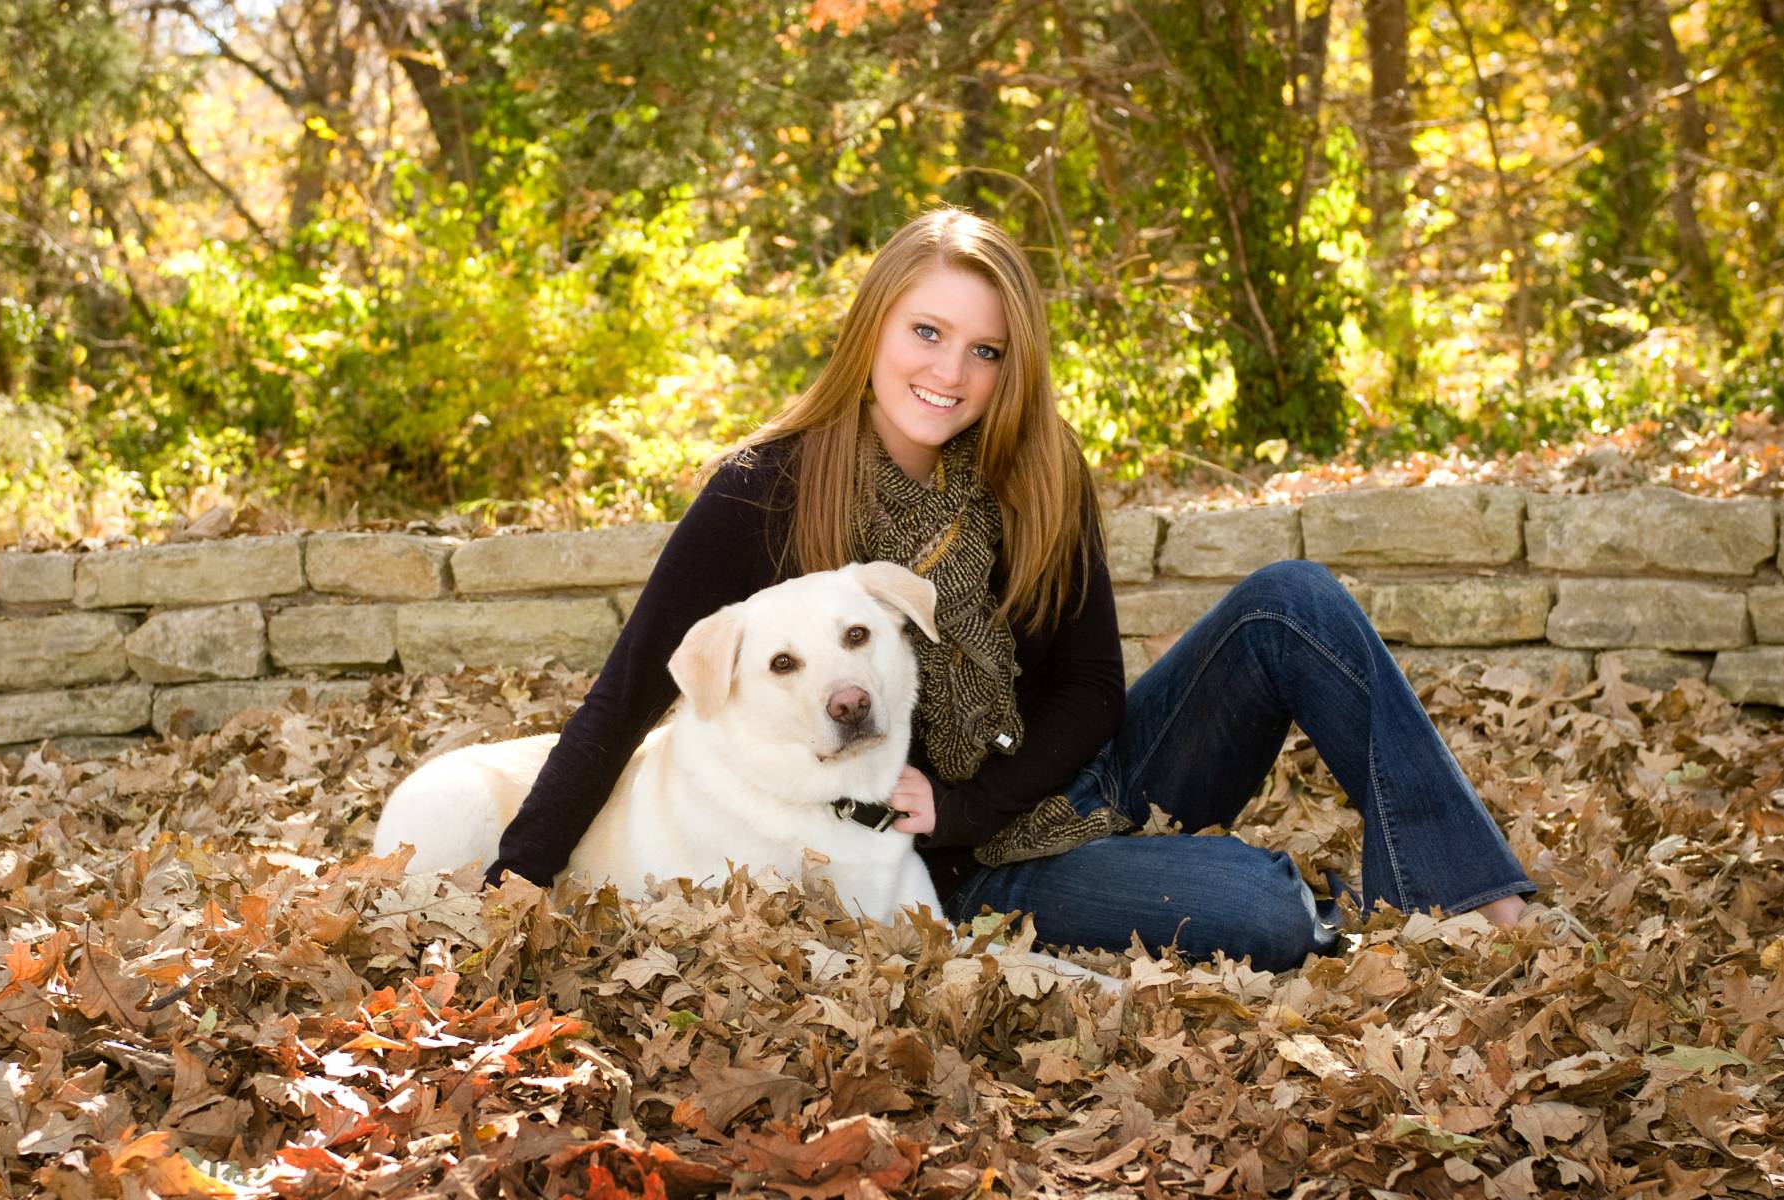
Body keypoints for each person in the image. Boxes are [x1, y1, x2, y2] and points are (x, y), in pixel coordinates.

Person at [486, 208, 1540, 971]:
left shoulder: (1035, 467)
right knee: (1263, 920)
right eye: (926, 333)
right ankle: (1277, 901)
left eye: (984, 349)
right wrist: (515, 882)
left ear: (1012, 362)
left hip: (1064, 780)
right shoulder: (764, 490)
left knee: (1291, 602)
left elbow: (1089, 688)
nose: (950, 372)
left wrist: (985, 792)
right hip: (955, 858)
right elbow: (624, 700)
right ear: (874, 329)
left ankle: (1474, 897)